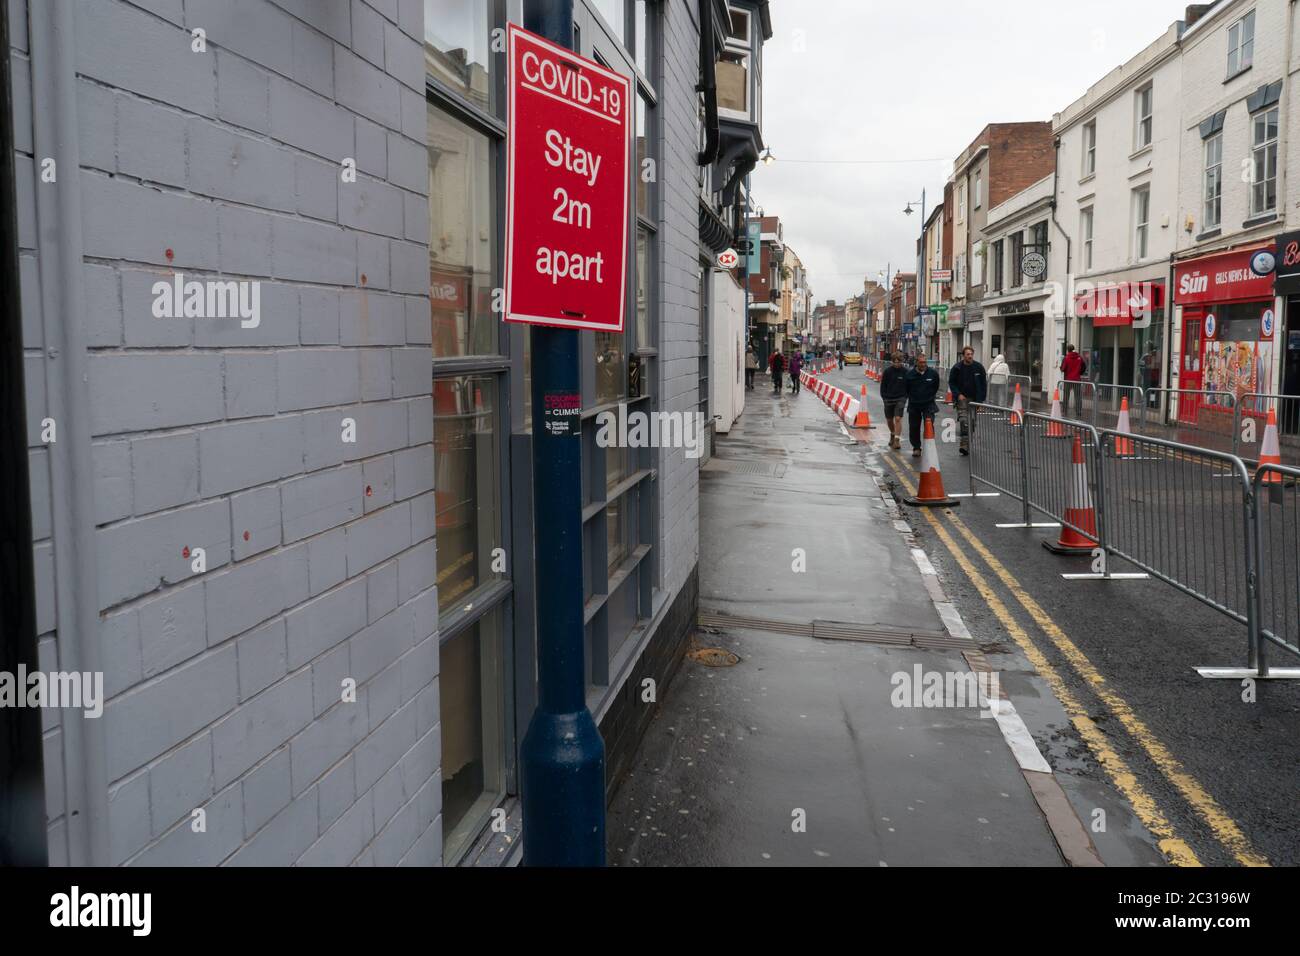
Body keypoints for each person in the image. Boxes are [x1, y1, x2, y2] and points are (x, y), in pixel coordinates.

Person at [947, 346, 988, 456]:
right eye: (967, 354)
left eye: (971, 354)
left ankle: (967, 444)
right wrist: (958, 394)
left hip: (975, 399)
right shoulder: (957, 368)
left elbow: (984, 385)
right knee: (964, 421)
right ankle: (964, 445)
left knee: (972, 422)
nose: (970, 356)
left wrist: (981, 401)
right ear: (963, 355)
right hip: (962, 399)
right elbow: (952, 383)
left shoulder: (979, 367)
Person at [904, 353, 941, 458]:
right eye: (921, 362)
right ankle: (916, 448)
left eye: (925, 362)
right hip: (914, 404)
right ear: (916, 363)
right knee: (914, 427)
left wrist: (929, 396)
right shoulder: (910, 375)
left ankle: (929, 446)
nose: (923, 364)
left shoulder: (933, 374)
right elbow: (906, 389)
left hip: (928, 404)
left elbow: (935, 386)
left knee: (929, 425)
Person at [880, 351, 909, 450]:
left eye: (899, 362)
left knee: (897, 418)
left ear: (902, 361)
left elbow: (909, 385)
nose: (897, 364)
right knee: (889, 419)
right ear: (892, 362)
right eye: (895, 362)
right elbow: (883, 386)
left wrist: (906, 396)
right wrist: (884, 397)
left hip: (900, 398)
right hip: (888, 398)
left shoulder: (905, 372)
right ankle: (892, 433)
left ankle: (897, 440)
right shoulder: (888, 372)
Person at [1061, 344, 1086, 418]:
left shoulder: (1066, 358)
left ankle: (1065, 410)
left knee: (1066, 396)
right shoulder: (1079, 357)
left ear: (1068, 350)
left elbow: (1063, 368)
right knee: (1078, 396)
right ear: (1074, 349)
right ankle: (1078, 411)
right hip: (1077, 380)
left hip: (1068, 380)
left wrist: (1062, 368)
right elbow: (1084, 366)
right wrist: (1080, 373)